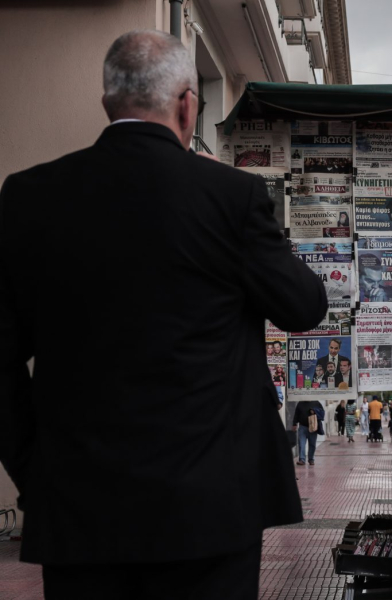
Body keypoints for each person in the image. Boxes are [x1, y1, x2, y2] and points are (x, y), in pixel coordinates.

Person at [0, 30, 328, 599]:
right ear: (185, 104)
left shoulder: (29, 195)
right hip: (210, 510)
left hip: (79, 510)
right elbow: (303, 306)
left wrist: (35, 472)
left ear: (109, 101)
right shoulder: (230, 195)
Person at [292, 400, 325, 466]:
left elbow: (322, 413)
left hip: (313, 427)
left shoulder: (316, 402)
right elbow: (296, 414)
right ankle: (302, 459)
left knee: (312, 444)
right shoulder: (300, 403)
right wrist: (294, 424)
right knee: (301, 443)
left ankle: (311, 459)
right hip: (302, 426)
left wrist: (315, 411)